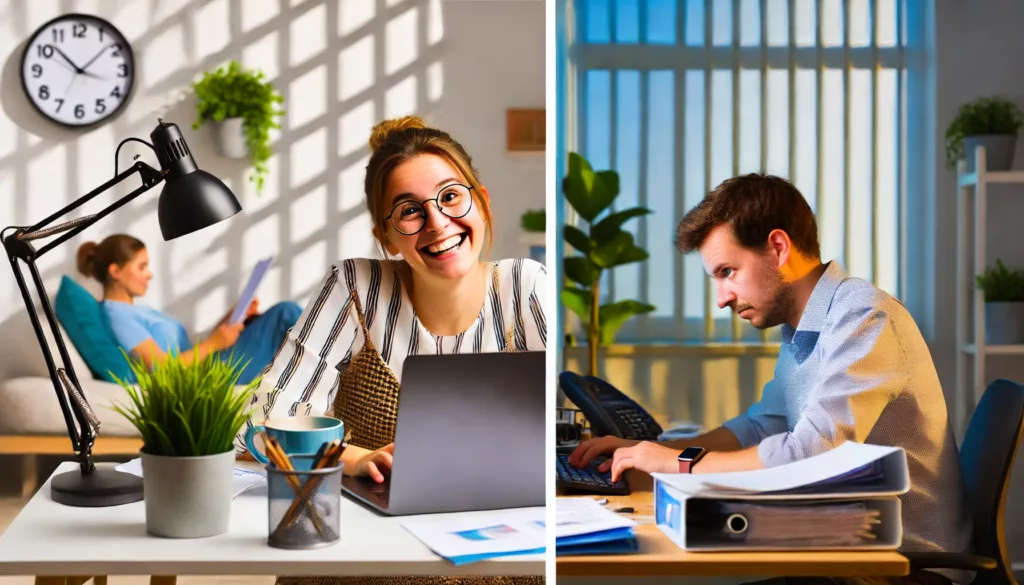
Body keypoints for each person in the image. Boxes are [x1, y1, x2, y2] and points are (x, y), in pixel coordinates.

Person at [569, 174, 971, 585]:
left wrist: (677, 463)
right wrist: (649, 452)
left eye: (728, 271)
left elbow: (811, 456)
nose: (722, 297)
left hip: (903, 569)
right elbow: (762, 426)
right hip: (845, 551)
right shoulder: (803, 325)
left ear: (778, 248)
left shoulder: (864, 316)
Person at [237, 116, 546, 585]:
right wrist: (353, 458)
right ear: (386, 237)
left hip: (499, 555)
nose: (438, 222)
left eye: (450, 196)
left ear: (481, 202)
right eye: (408, 210)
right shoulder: (357, 286)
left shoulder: (525, 284)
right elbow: (263, 423)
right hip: (365, 560)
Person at [76, 234, 302, 384]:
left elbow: (192, 349)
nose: (150, 274)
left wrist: (232, 317)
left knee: (285, 319)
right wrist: (214, 343)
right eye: (142, 266)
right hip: (207, 376)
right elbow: (162, 369)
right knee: (286, 314)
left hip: (211, 362)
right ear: (116, 272)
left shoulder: (136, 311)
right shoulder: (118, 315)